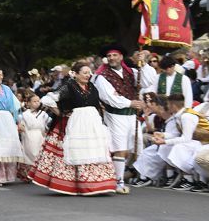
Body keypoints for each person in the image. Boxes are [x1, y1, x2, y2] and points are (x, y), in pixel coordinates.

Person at [30, 62, 116, 196]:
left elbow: (97, 105)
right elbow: (49, 99)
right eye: (85, 73)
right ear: (75, 74)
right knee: (73, 152)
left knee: (92, 150)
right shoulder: (69, 86)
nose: (88, 75)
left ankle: (96, 184)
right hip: (74, 123)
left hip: (92, 124)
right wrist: (60, 113)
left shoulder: (92, 87)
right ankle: (74, 185)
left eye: (89, 73)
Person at [92, 44, 145, 194]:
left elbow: (148, 81)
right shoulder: (102, 77)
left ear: (121, 57)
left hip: (132, 116)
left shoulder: (132, 72)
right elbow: (109, 98)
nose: (111, 58)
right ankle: (119, 181)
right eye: (109, 56)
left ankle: (121, 173)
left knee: (133, 148)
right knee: (119, 148)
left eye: (114, 55)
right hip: (116, 115)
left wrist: (144, 63)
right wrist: (130, 103)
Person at [18, 94, 50, 181]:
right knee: (29, 152)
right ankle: (27, 174)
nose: (37, 103)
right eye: (34, 101)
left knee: (39, 153)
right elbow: (21, 124)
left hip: (40, 135)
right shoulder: (24, 114)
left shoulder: (43, 114)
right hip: (28, 135)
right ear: (28, 103)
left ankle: (38, 175)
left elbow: (47, 124)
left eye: (38, 101)